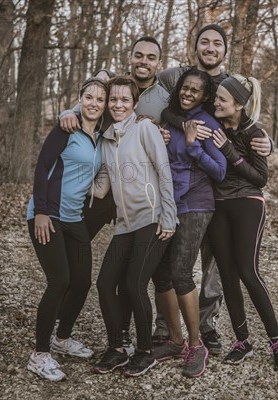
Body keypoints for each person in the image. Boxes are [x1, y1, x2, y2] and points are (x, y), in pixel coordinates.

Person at [152, 24, 271, 353]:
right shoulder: (176, 75)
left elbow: (248, 121)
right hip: (188, 188)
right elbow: (149, 87)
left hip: (219, 192)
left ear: (224, 50)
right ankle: (167, 326)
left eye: (216, 43)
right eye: (204, 41)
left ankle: (206, 326)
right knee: (173, 262)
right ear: (195, 47)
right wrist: (175, 124)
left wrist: (267, 142)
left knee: (214, 266)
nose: (210, 47)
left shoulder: (231, 83)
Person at [91, 76, 178, 377]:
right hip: (125, 225)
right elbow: (102, 187)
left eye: (124, 100)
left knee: (133, 285)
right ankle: (117, 348)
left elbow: (164, 172)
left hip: (152, 220)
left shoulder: (144, 129)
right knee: (104, 284)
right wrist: (72, 185)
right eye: (113, 100)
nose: (118, 105)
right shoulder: (106, 139)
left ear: (135, 103)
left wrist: (169, 216)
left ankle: (144, 351)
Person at [208, 74, 278, 370]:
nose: (215, 102)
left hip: (247, 202)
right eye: (216, 98)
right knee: (227, 275)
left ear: (239, 104)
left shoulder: (254, 132)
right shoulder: (214, 121)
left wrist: (230, 152)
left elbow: (261, 179)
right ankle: (242, 341)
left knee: (247, 270)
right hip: (218, 205)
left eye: (222, 99)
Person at [25, 77, 108, 381]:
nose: (94, 103)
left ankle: (62, 338)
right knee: (60, 281)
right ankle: (40, 354)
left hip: (74, 219)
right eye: (89, 96)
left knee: (82, 281)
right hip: (48, 216)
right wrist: (43, 212)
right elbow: (42, 167)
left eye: (100, 99)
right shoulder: (66, 128)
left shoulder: (99, 136)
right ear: (80, 98)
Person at [151, 69, 226, 378]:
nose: (188, 93)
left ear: (205, 96)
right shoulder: (170, 118)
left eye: (196, 90)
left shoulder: (207, 124)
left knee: (182, 271)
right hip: (169, 202)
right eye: (185, 87)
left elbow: (220, 171)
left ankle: (197, 345)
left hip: (196, 204)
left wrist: (194, 145)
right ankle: (175, 339)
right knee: (160, 272)